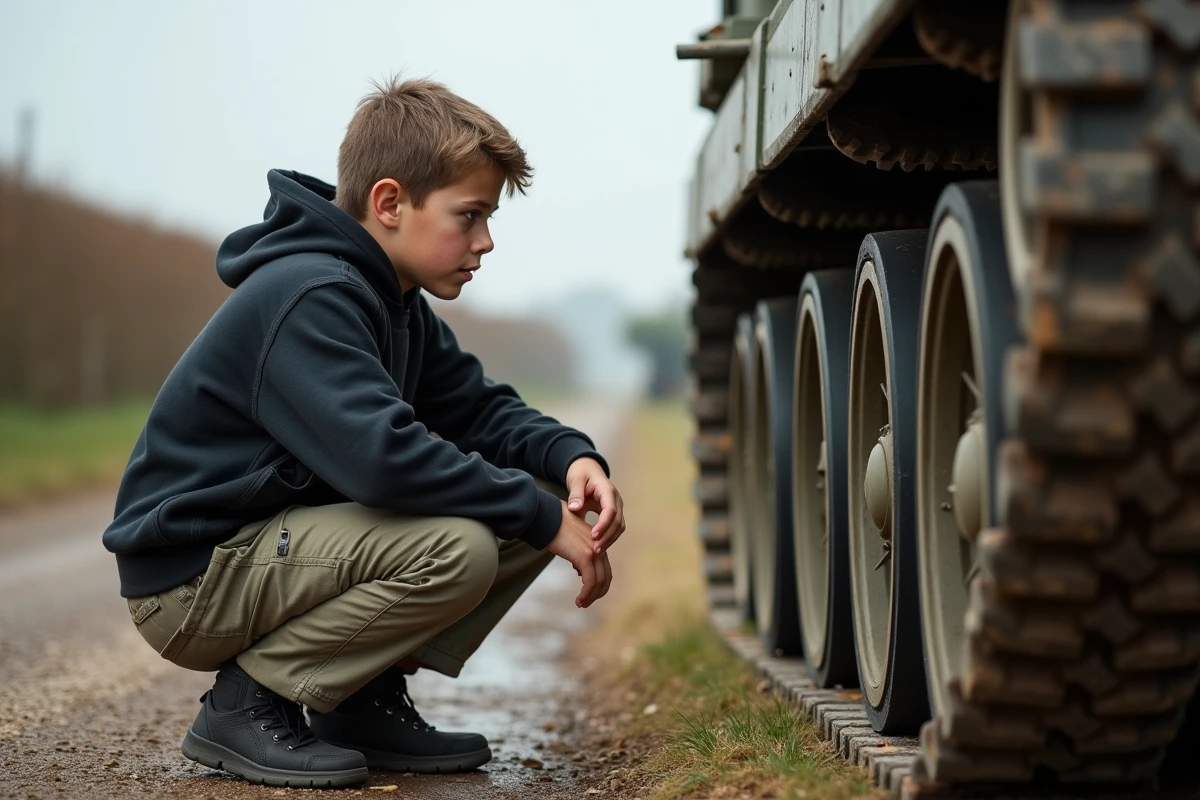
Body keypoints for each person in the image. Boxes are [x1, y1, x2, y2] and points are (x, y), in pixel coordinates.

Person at [101, 77, 626, 789]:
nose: (486, 241)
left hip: (267, 552)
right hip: (193, 579)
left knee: (537, 489)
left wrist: (571, 458)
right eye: (469, 215)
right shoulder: (312, 295)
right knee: (461, 545)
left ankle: (356, 698)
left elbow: (478, 411)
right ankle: (246, 704)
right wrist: (537, 517)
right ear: (389, 203)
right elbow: (382, 460)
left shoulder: (395, 301)